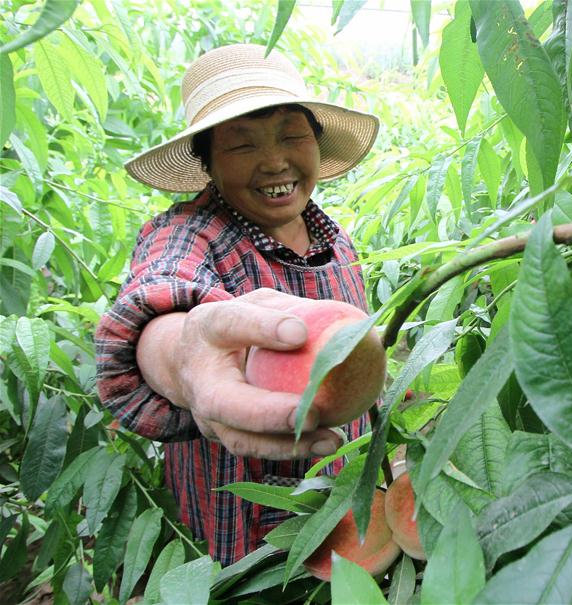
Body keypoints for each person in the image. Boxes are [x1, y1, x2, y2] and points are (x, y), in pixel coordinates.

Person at [94, 43, 380, 566]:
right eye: (241, 145)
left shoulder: (339, 245)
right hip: (246, 532)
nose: (274, 161)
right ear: (206, 162)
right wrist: (185, 360)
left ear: (316, 144)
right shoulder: (189, 233)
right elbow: (160, 302)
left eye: (292, 136)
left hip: (343, 510)